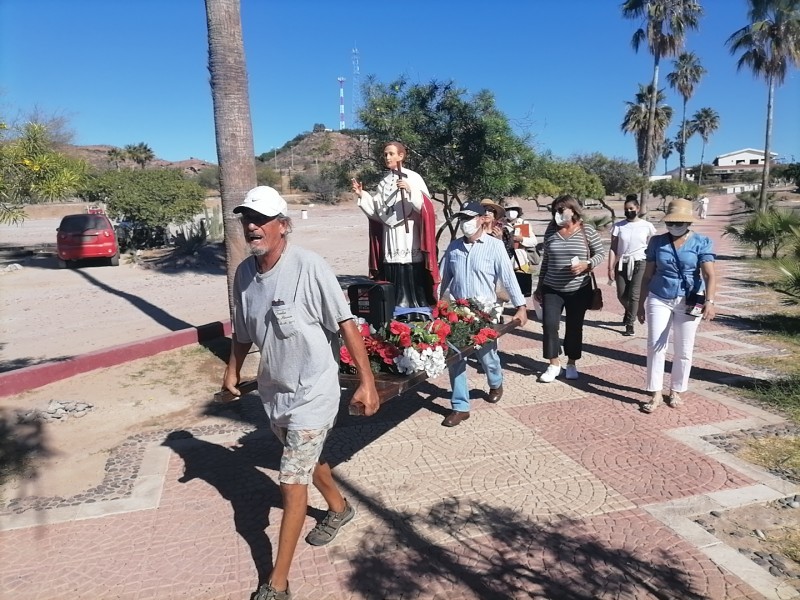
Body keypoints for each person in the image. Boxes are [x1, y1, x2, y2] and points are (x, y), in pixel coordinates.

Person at [222, 186, 380, 600]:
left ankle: (277, 582)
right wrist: (231, 373)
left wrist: (366, 381)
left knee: (291, 481)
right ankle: (341, 509)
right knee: (308, 461)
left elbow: (346, 323)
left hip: (315, 391)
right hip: (275, 394)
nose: (252, 226)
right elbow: (241, 331)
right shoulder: (243, 274)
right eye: (246, 219)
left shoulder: (309, 267)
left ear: (283, 225)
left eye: (260, 219)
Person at [438, 201, 528, 427]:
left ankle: (496, 382)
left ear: (481, 219)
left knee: (487, 358)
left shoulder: (494, 247)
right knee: (455, 358)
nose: (465, 224)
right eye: (462, 219)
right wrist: (436, 303)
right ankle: (460, 406)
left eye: (469, 219)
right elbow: (442, 278)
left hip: (484, 315)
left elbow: (508, 278)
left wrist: (521, 306)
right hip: (457, 314)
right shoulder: (454, 247)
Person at [636, 198, 717, 413]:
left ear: (688, 222)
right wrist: (639, 303)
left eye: (679, 221)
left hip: (690, 299)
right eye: (671, 222)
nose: (674, 226)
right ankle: (655, 393)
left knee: (684, 348)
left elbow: (709, 275)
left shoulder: (702, 242)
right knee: (655, 345)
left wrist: (709, 301)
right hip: (659, 296)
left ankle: (676, 390)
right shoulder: (656, 242)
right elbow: (647, 275)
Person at [352, 141, 439, 309]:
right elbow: (377, 213)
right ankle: (394, 303)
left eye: (391, 154)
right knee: (393, 269)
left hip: (409, 234)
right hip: (390, 234)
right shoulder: (383, 183)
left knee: (411, 270)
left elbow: (426, 207)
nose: (387, 157)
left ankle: (416, 304)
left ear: (401, 156)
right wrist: (362, 195)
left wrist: (410, 190)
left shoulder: (413, 177)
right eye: (385, 154)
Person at [534, 195, 605, 383]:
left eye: (561, 210)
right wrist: (540, 286)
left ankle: (572, 363)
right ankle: (554, 364)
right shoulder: (551, 230)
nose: (557, 214)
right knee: (549, 325)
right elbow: (546, 260)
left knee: (574, 327)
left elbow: (600, 253)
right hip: (552, 288)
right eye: (555, 210)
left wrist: (587, 264)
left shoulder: (586, 230)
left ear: (573, 210)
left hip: (579, 289)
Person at [607, 194, 656, 336]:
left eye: (631, 208)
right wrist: (610, 267)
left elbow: (651, 247)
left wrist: (653, 266)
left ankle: (630, 323)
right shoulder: (618, 226)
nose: (629, 211)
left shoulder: (647, 226)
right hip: (622, 262)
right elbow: (613, 248)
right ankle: (631, 311)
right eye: (626, 209)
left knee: (634, 294)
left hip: (640, 262)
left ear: (638, 208)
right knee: (622, 294)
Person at [504, 198, 540, 267]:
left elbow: (534, 242)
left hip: (522, 261)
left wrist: (522, 239)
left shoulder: (523, 223)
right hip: (506, 261)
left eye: (513, 209)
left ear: (518, 211)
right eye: (508, 210)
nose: (510, 212)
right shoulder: (501, 224)